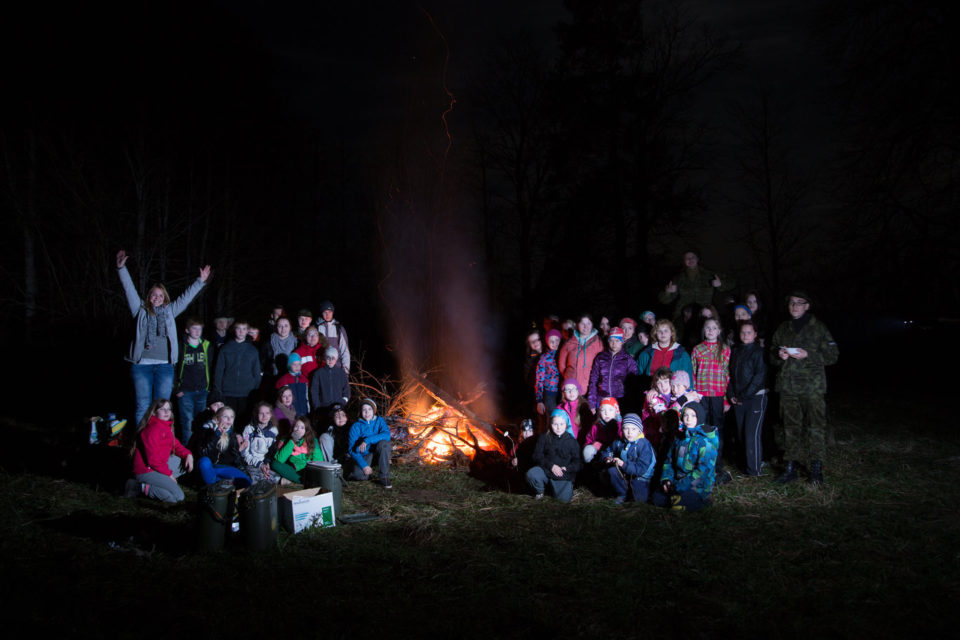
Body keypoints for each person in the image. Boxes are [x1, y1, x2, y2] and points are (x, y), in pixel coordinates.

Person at [115, 249, 210, 425]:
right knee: (143, 405)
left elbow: (185, 298)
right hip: (142, 365)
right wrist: (121, 268)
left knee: (163, 406)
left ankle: (161, 437)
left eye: (160, 295)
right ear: (149, 297)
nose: (157, 298)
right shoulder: (140, 310)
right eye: (154, 294)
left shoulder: (169, 311)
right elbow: (129, 289)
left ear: (164, 297)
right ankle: (142, 439)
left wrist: (200, 282)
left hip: (165, 366)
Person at [770, 291, 839, 486]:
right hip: (788, 386)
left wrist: (809, 355)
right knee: (790, 427)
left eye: (799, 303)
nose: (795, 306)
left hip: (812, 387)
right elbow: (772, 352)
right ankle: (790, 468)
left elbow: (833, 354)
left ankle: (816, 469)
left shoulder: (818, 327)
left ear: (807, 306)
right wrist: (779, 355)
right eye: (792, 302)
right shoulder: (783, 328)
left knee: (815, 427)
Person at [651, 402, 718, 512]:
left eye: (693, 415)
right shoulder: (679, 438)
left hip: (697, 486)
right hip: (677, 482)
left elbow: (702, 471)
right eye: (686, 415)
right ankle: (679, 499)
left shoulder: (705, 442)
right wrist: (667, 480)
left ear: (699, 418)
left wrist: (680, 486)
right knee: (656, 498)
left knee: (678, 505)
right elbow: (669, 462)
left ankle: (702, 500)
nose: (688, 419)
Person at [128, 398, 194, 503]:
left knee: (183, 462)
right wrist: (169, 475)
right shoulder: (152, 429)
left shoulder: (166, 426)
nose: (167, 412)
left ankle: (160, 482)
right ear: (154, 412)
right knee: (177, 497)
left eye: (169, 409)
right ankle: (139, 487)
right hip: (147, 470)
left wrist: (188, 454)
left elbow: (176, 445)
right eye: (162, 409)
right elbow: (153, 460)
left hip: (159, 466)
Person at [691, 317, 731, 482]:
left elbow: (727, 375)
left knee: (717, 429)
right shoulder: (697, 349)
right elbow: (693, 373)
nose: (711, 331)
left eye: (714, 328)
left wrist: (726, 399)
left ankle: (717, 464)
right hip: (702, 396)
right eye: (708, 328)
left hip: (718, 395)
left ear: (719, 331)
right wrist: (694, 395)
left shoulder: (725, 349)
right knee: (702, 428)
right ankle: (702, 462)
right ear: (704, 330)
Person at [728, 320, 768, 477]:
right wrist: (731, 394)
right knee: (741, 434)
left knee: (751, 434)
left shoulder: (758, 352)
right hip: (738, 398)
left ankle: (754, 470)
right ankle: (745, 466)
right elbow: (730, 374)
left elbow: (759, 377)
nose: (745, 335)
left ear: (755, 334)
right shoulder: (736, 350)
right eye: (743, 332)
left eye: (749, 332)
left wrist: (744, 395)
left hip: (755, 398)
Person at [657, 249, 734, 323]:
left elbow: (732, 282)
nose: (690, 259)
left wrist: (721, 284)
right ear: (684, 261)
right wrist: (667, 292)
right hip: (684, 316)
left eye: (693, 257)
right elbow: (664, 300)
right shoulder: (678, 278)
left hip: (705, 314)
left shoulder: (709, 274)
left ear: (697, 259)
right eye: (687, 258)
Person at [526, 409, 582, 503]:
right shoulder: (544, 437)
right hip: (547, 470)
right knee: (532, 474)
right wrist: (551, 466)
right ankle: (540, 491)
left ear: (566, 425)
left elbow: (578, 462)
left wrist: (568, 468)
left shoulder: (571, 441)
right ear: (550, 424)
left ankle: (557, 489)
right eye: (555, 424)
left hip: (562, 474)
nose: (558, 427)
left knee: (563, 500)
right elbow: (537, 455)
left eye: (561, 424)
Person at [211, 320, 262, 420]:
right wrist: (218, 389)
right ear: (234, 330)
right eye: (238, 328)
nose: (241, 332)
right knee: (229, 420)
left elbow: (256, 372)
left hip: (247, 393)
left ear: (247, 331)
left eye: (244, 329)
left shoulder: (252, 350)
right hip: (228, 392)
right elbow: (219, 371)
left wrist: (255, 390)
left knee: (244, 420)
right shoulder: (225, 348)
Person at [601, 413, 656, 504]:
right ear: (622, 429)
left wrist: (622, 464)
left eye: (633, 429)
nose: (629, 432)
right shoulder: (620, 442)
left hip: (640, 477)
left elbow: (640, 469)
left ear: (639, 431)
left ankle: (637, 492)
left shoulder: (644, 445)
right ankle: (621, 493)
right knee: (612, 471)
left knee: (638, 500)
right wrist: (607, 458)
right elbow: (607, 451)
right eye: (626, 428)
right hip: (626, 473)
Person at [174, 317, 210, 447]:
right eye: (194, 328)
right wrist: (176, 388)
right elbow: (174, 367)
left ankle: (199, 450)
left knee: (202, 423)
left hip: (202, 390)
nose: (197, 331)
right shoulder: (180, 346)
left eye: (199, 329)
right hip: (185, 391)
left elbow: (211, 366)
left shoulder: (206, 345)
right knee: (187, 423)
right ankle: (187, 451)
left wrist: (209, 387)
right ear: (187, 330)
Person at [196, 406, 252, 488]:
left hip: (225, 467)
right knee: (204, 462)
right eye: (225, 416)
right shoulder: (207, 430)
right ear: (217, 418)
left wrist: (245, 473)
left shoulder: (232, 435)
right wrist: (216, 435)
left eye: (232, 417)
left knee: (247, 482)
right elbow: (204, 453)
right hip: (210, 467)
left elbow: (236, 457)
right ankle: (214, 486)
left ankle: (219, 483)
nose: (229, 419)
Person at [587, 327, 639, 411]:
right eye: (611, 340)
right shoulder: (600, 358)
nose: (614, 344)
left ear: (622, 341)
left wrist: (629, 403)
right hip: (602, 400)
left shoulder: (628, 360)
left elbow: (633, 384)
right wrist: (591, 403)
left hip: (620, 401)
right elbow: (593, 380)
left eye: (617, 341)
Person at [347, 398, 392, 488]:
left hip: (378, 452)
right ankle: (364, 467)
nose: (367, 413)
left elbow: (387, 435)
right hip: (366, 454)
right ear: (360, 412)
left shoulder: (379, 420)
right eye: (364, 410)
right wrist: (364, 466)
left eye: (369, 409)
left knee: (384, 444)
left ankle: (384, 477)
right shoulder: (355, 426)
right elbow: (351, 449)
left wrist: (367, 440)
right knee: (360, 476)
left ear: (373, 411)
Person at [557, 314, 604, 394]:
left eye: (588, 323)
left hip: (590, 387)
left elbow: (601, 364)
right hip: (571, 387)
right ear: (577, 324)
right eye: (582, 323)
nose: (585, 326)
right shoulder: (569, 342)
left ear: (592, 324)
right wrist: (569, 376)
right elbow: (562, 365)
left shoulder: (598, 343)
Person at [270, 415, 324, 484]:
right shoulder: (286, 439)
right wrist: (292, 441)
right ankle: (302, 481)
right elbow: (280, 459)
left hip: (307, 469)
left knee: (315, 473)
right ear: (293, 428)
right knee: (275, 464)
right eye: (296, 426)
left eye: (302, 428)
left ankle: (298, 480)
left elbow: (318, 461)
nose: (298, 430)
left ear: (306, 430)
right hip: (293, 469)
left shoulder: (313, 441)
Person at [241, 402, 280, 484]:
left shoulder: (274, 431)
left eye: (267, 413)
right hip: (251, 463)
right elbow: (245, 454)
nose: (264, 416)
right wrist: (260, 464)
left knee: (276, 478)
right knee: (254, 480)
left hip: (264, 463)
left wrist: (267, 462)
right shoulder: (249, 429)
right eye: (261, 413)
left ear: (271, 415)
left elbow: (271, 451)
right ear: (256, 414)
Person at [309, 347, 351, 417]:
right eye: (328, 357)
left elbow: (346, 389)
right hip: (323, 408)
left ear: (336, 359)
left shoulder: (341, 373)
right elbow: (314, 391)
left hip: (338, 408)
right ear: (325, 358)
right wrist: (317, 406)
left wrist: (343, 401)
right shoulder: (318, 373)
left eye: (333, 358)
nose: (330, 360)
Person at [534, 329, 563, 428]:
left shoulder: (564, 354)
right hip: (550, 394)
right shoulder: (544, 358)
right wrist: (539, 400)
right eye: (551, 341)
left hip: (563, 393)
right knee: (552, 419)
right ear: (547, 342)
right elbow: (539, 380)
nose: (555, 343)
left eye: (557, 340)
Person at [582, 397, 622, 464]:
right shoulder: (596, 426)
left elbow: (623, 437)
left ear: (616, 411)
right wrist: (593, 444)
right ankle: (593, 466)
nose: (606, 413)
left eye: (610, 410)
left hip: (615, 453)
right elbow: (588, 440)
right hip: (601, 454)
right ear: (599, 412)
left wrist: (619, 422)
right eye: (603, 410)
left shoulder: (620, 424)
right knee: (588, 450)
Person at [317, 301, 351, 373]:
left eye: (329, 312)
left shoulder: (339, 329)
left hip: (337, 369)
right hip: (321, 369)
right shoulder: (317, 328)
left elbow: (345, 352)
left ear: (333, 312)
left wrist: (345, 372)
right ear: (322, 313)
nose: (327, 315)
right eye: (325, 312)